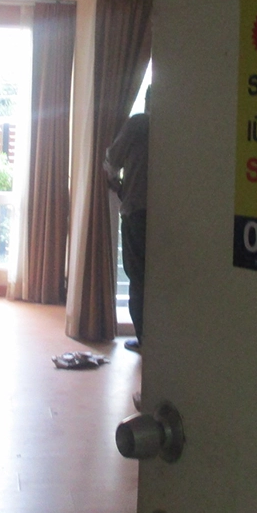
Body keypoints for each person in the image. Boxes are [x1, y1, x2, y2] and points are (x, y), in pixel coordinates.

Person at [105, 86, 149, 351]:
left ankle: (145, 340)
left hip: (137, 212)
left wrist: (115, 181)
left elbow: (113, 159)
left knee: (138, 276)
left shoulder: (140, 123)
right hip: (170, 215)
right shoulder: (182, 128)